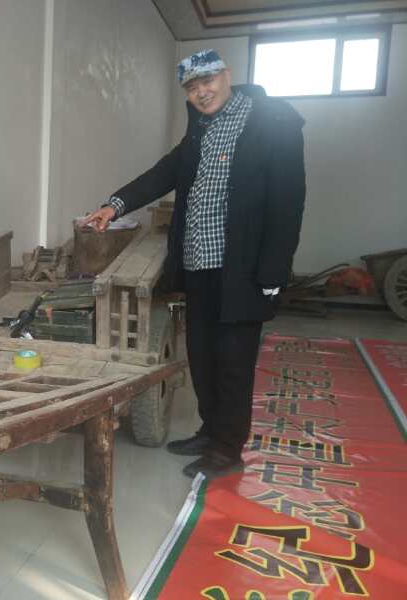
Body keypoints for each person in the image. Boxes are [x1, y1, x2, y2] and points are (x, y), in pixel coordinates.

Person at [84, 49, 306, 480]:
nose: (201, 92)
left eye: (208, 81)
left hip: (243, 270)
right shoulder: (199, 129)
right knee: (202, 355)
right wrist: (114, 205)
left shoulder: (273, 122)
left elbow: (288, 203)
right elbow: (163, 173)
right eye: (191, 87)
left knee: (233, 361)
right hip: (199, 264)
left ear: (227, 76)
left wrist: (274, 272)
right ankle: (210, 432)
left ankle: (227, 448)